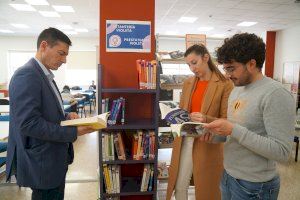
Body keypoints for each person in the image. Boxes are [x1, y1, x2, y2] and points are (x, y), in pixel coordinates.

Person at [6, 27, 95, 200]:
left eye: (66, 55)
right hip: (42, 162)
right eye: (61, 53)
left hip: (53, 158)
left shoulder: (45, 75)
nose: (64, 60)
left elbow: (46, 113)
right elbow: (29, 124)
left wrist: (67, 117)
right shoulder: (27, 75)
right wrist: (74, 132)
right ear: (44, 46)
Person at [204, 33, 294, 200]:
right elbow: (237, 132)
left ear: (252, 64)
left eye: (231, 68)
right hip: (229, 176)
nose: (227, 74)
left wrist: (233, 130)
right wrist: (215, 136)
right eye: (225, 68)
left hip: (255, 186)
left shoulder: (275, 94)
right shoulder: (237, 88)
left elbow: (282, 152)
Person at [166, 44, 233, 200]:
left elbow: (227, 120)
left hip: (207, 142)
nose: (191, 68)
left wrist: (206, 119)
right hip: (185, 139)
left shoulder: (225, 84)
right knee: (179, 184)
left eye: (194, 62)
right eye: (188, 64)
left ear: (206, 58)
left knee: (207, 189)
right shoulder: (189, 82)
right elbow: (184, 110)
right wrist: (176, 116)